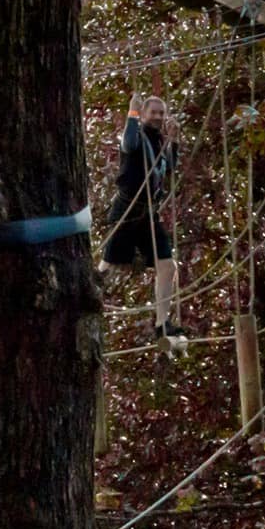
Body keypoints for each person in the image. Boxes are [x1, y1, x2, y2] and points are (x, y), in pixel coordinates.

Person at [99, 94, 189, 348]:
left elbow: (168, 167)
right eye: (154, 113)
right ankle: (84, 300)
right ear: (145, 114)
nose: (158, 117)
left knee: (167, 266)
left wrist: (174, 140)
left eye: (162, 113)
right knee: (107, 267)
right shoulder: (136, 135)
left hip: (148, 214)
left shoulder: (159, 140)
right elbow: (127, 146)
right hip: (127, 211)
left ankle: (162, 324)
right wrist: (132, 112)